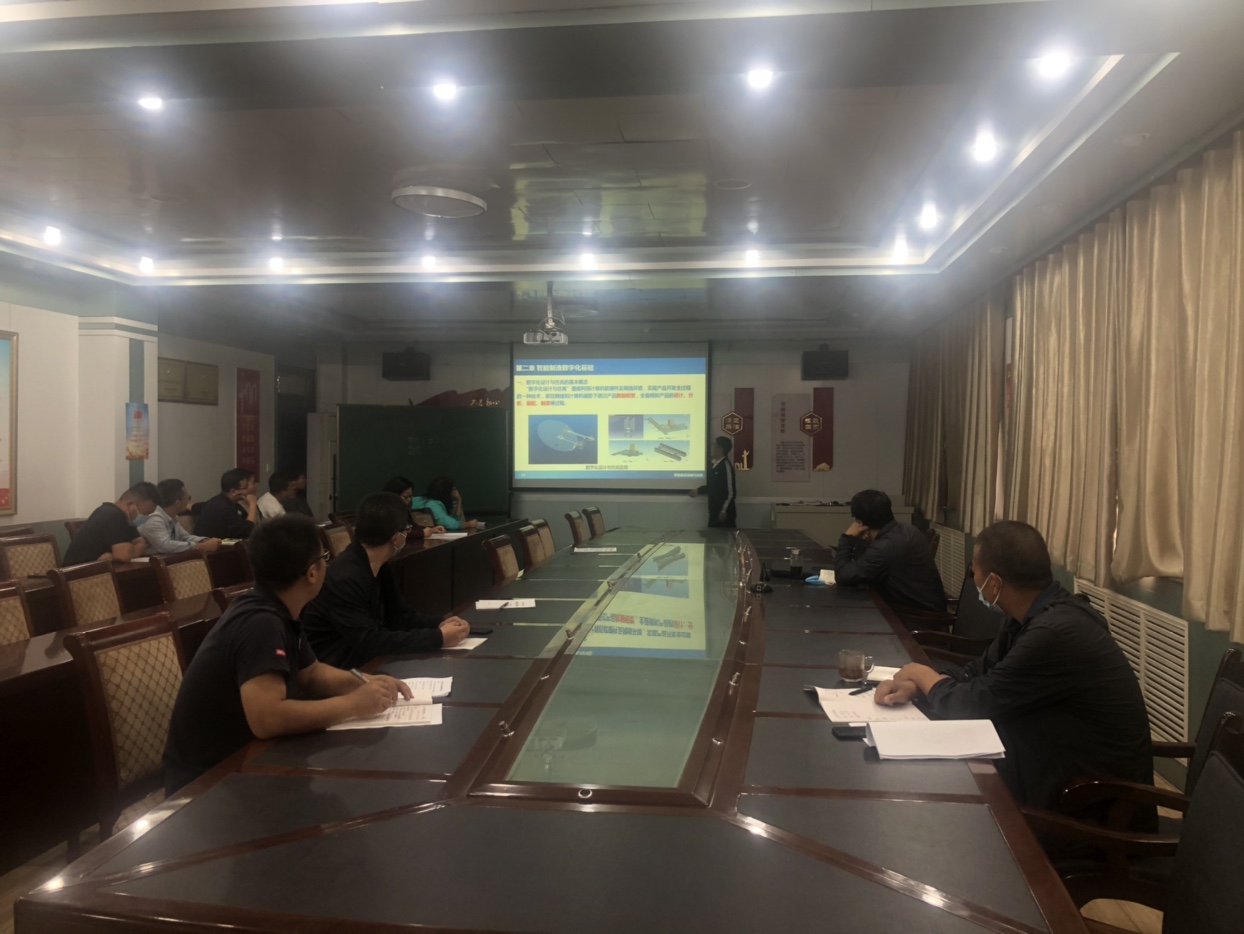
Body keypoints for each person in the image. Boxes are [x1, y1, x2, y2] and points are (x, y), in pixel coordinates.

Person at [874, 520, 1154, 816]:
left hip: (1091, 805)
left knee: (936, 797)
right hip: (1055, 762)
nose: (974, 580)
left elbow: (975, 703)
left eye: (974, 572)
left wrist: (921, 674)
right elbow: (978, 672)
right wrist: (919, 687)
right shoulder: (1031, 617)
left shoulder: (1054, 634)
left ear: (994, 583)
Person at [163, 515, 413, 794]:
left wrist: (363, 681)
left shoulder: (277, 607)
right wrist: (352, 704)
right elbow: (267, 719)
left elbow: (312, 673)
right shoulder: (260, 623)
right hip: (208, 782)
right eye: (324, 558)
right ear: (312, 573)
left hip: (249, 760)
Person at [302, 491, 471, 668]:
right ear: (396, 538)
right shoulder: (345, 577)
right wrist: (438, 637)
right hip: (338, 669)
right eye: (406, 530)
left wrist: (439, 624)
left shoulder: (379, 565)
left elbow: (401, 616)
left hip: (362, 662)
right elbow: (369, 641)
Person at [833, 489, 946, 612]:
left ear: (859, 522)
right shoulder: (907, 529)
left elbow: (842, 577)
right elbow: (861, 563)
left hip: (918, 617)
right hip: (924, 608)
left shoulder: (883, 548)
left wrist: (847, 538)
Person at [63, 482, 159, 565]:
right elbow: (123, 556)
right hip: (79, 575)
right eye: (145, 513)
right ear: (131, 505)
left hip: (99, 570)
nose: (146, 517)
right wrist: (123, 553)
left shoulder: (126, 518)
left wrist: (113, 556)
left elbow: (140, 545)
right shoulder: (113, 514)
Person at [141, 479, 222, 555]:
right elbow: (165, 545)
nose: (189, 501)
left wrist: (204, 540)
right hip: (151, 562)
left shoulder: (173, 517)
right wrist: (200, 546)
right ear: (177, 503)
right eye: (188, 498)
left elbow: (185, 537)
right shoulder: (155, 519)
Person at [194, 468, 259, 540]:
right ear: (233, 492)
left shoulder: (231, 503)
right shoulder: (222, 508)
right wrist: (252, 503)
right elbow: (248, 530)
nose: (253, 488)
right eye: (246, 487)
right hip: (214, 545)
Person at [688, 436, 736, 528]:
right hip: (714, 511)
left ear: (720, 449)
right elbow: (712, 486)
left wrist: (724, 510)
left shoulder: (725, 466)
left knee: (724, 536)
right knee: (712, 535)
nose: (712, 448)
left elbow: (731, 492)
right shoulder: (713, 465)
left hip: (723, 514)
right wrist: (698, 491)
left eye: (714, 445)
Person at [409, 475, 477, 531]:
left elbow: (454, 520)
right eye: (453, 489)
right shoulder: (433, 505)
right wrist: (470, 524)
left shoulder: (419, 500)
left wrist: (459, 500)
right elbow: (453, 525)